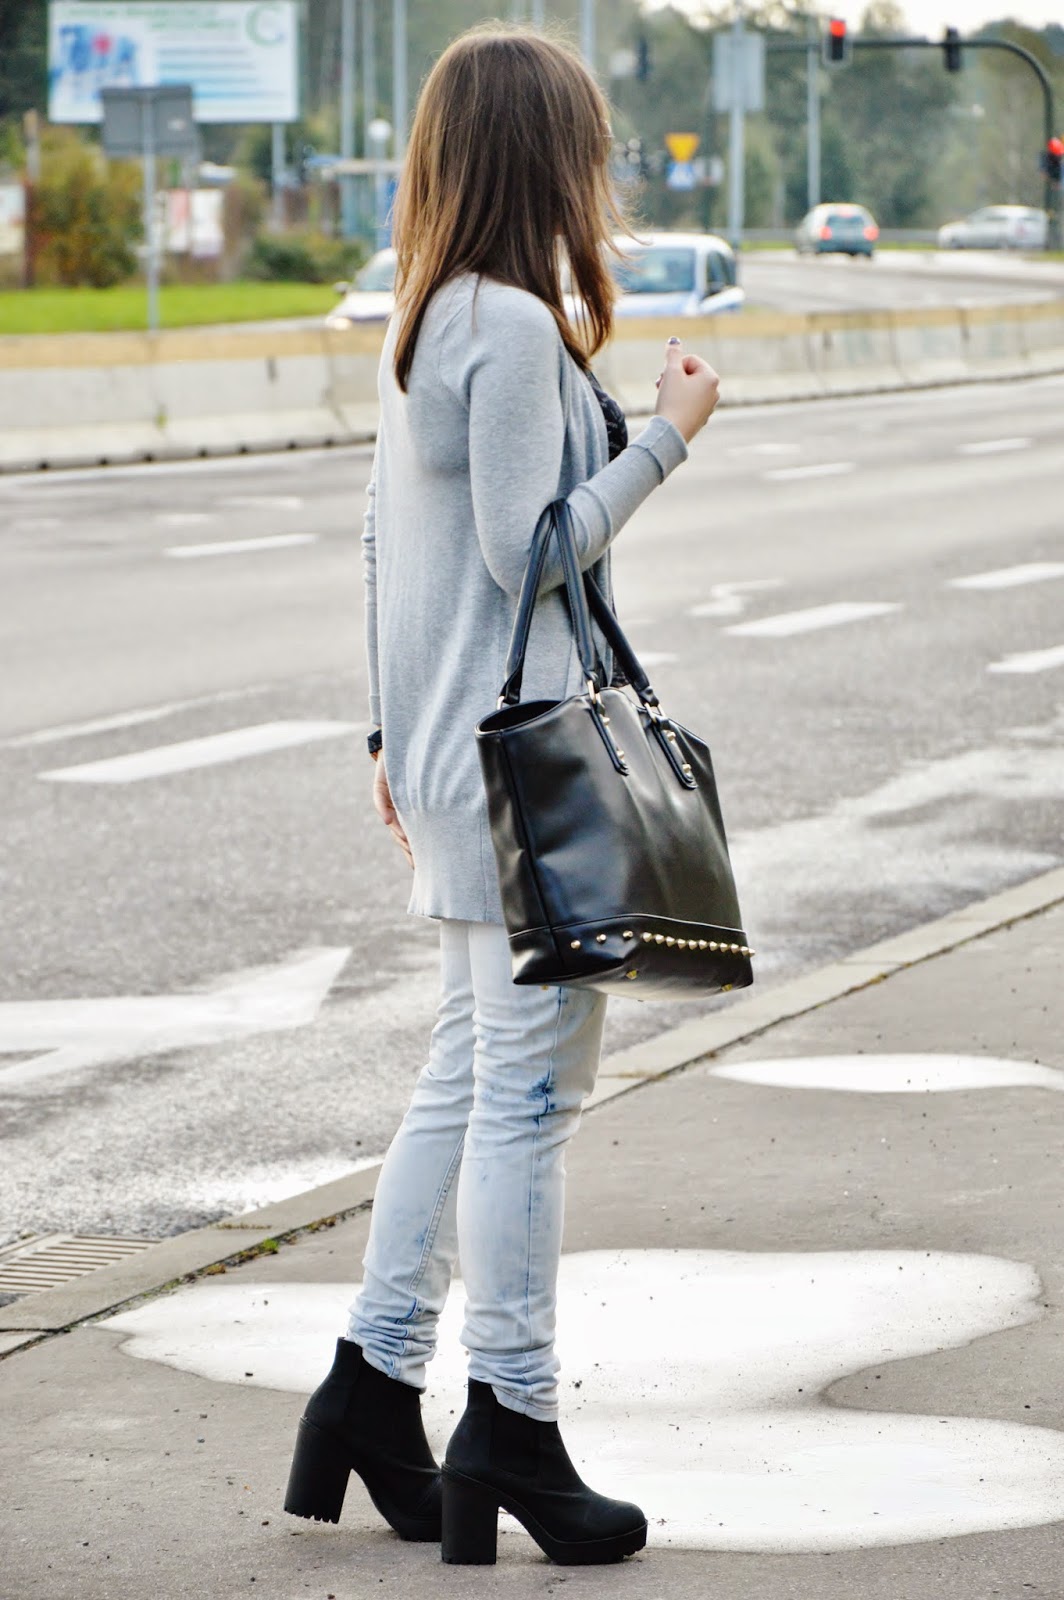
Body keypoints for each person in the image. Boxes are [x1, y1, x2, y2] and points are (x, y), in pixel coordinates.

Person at [284, 22, 719, 1567]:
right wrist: (665, 439)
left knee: (468, 1078)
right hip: (527, 768)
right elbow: (527, 551)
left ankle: (369, 1387)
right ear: (549, 160)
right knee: (528, 1099)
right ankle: (514, 1427)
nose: (601, 173)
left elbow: (382, 549)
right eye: (588, 147)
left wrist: (387, 737)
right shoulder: (516, 328)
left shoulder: (422, 317)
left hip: (450, 754)